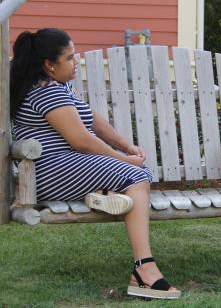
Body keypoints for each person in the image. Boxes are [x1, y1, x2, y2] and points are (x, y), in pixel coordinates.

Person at [10, 28, 180, 300]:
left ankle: (101, 195)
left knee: (136, 174)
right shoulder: (45, 91)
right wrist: (125, 159)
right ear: (49, 64)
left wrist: (126, 145)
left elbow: (93, 120)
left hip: (71, 166)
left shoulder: (59, 84)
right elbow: (82, 141)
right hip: (52, 172)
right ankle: (144, 271)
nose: (76, 62)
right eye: (70, 58)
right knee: (137, 177)